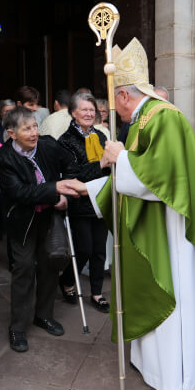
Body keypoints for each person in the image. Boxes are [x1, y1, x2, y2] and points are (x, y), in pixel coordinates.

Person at [69, 38, 195, 390]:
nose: (111, 111)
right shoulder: (145, 119)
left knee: (175, 296)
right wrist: (91, 187)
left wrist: (120, 157)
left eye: (112, 100)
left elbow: (161, 178)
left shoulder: (162, 116)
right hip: (157, 226)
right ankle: (156, 367)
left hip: (172, 233)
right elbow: (139, 175)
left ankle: (182, 377)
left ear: (123, 96)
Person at [0, 107, 81, 353]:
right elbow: (20, 193)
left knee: (50, 265)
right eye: (27, 129)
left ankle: (43, 315)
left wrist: (67, 194)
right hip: (22, 221)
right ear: (12, 133)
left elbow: (71, 165)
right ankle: (18, 327)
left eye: (35, 126)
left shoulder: (48, 145)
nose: (34, 133)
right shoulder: (5, 157)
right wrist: (56, 191)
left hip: (50, 219)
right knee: (22, 269)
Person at [57, 92, 111, 312]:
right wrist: (101, 163)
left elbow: (109, 167)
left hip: (101, 198)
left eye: (92, 110)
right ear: (73, 113)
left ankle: (97, 293)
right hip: (79, 202)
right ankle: (67, 279)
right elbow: (73, 175)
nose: (89, 113)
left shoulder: (100, 136)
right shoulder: (65, 141)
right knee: (84, 250)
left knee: (99, 250)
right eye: (84, 110)